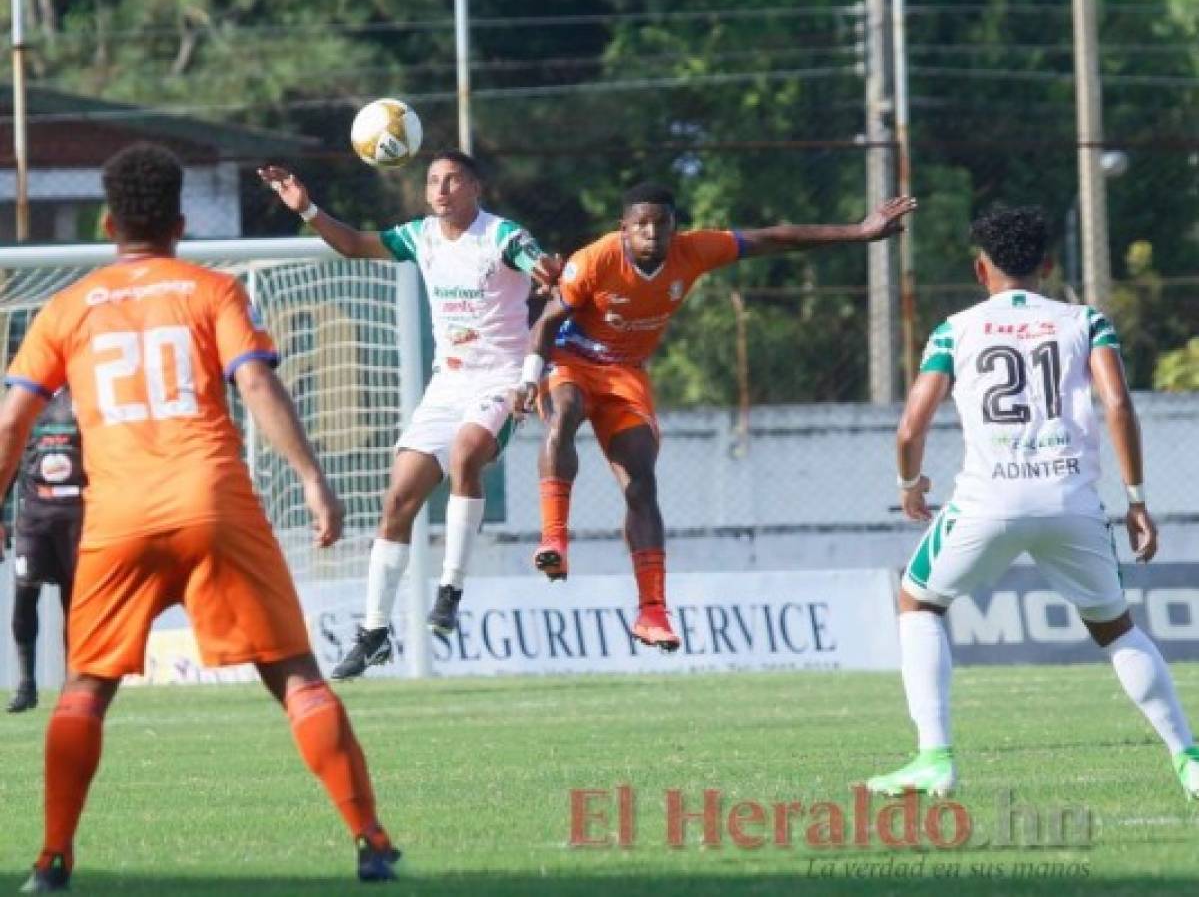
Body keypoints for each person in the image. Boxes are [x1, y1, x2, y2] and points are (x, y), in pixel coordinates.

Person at [6, 143, 400, 893]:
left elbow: (11, 423)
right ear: (182, 223)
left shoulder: (65, 307)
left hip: (117, 514)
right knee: (295, 678)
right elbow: (255, 386)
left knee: (84, 687)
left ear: (107, 220)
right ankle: (370, 840)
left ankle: (52, 857)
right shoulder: (210, 289)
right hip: (213, 499)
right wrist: (313, 480)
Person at [866, 205, 1199, 799]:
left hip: (986, 501)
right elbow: (1118, 406)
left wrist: (910, 485)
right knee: (1117, 628)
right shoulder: (1086, 321)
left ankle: (934, 757)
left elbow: (909, 430)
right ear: (1047, 264)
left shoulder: (955, 329)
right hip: (1069, 497)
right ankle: (1188, 759)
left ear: (979, 269)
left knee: (918, 602)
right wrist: (1137, 501)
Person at [513, 183, 916, 650]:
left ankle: (652, 611)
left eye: (659, 223)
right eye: (639, 224)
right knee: (564, 413)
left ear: (674, 226)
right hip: (571, 361)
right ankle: (555, 541)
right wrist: (527, 378)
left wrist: (858, 232)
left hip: (625, 374)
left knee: (641, 481)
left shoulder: (694, 251)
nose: (650, 232)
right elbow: (544, 322)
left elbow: (774, 238)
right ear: (623, 228)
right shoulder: (596, 259)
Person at [259, 151, 560, 678]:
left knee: (467, 453)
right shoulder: (419, 235)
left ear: (475, 187)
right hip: (448, 384)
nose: (441, 189)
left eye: (453, 180)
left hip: (501, 379)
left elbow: (536, 261)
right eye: (433, 181)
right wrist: (306, 209)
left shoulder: (502, 236)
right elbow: (354, 244)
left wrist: (546, 271)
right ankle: (374, 631)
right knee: (398, 497)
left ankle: (449, 590)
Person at [4, 388, 84, 714]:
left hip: (77, 517)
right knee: (25, 596)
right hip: (34, 519)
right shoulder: (24, 400)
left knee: (75, 605)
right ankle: (26, 684)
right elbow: (6, 457)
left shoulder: (84, 394)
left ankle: (72, 687)